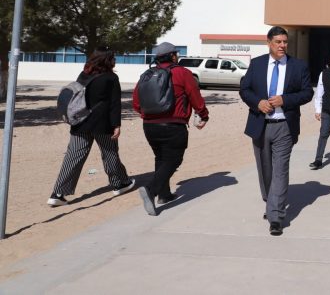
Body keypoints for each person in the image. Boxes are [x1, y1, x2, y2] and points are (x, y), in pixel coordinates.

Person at [240, 26, 313, 235]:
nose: (282, 45)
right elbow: (244, 89)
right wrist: (258, 103)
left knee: (280, 171)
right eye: (278, 42)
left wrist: (285, 100)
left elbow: (307, 93)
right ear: (269, 43)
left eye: (285, 42)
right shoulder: (257, 64)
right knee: (266, 171)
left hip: (285, 126)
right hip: (260, 125)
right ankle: (270, 202)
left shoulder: (298, 66)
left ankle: (276, 217)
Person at [48, 49, 136, 207]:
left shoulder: (84, 74)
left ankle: (58, 194)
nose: (115, 60)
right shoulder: (111, 78)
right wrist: (116, 125)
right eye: (113, 58)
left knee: (73, 157)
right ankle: (120, 184)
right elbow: (114, 104)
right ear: (106, 60)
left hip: (80, 122)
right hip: (102, 124)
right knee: (110, 154)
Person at [133, 42, 209, 216]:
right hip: (173, 125)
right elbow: (195, 96)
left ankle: (164, 194)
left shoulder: (146, 75)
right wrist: (203, 115)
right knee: (174, 160)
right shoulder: (182, 73)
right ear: (173, 56)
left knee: (161, 158)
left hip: (149, 126)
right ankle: (151, 190)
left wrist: (148, 115)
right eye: (176, 53)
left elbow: (137, 102)